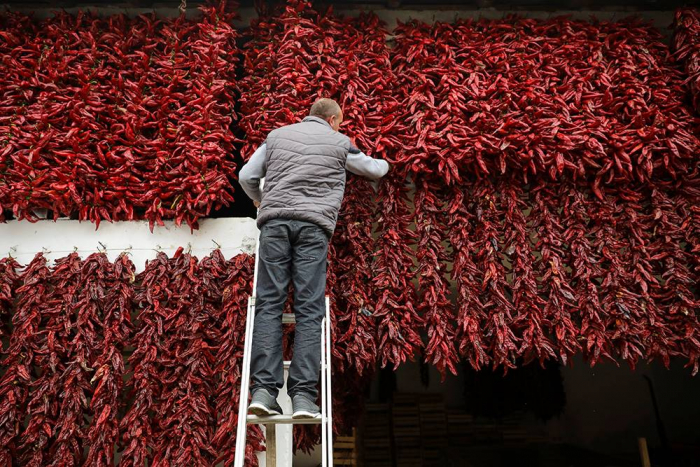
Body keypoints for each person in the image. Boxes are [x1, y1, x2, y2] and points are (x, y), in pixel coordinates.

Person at [239, 98, 390, 419]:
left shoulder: (276, 136)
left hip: (275, 224)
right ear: (334, 119)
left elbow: (246, 175)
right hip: (313, 227)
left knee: (269, 304)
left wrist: (261, 200)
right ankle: (304, 398)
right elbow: (375, 170)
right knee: (309, 309)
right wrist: (389, 160)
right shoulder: (340, 142)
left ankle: (264, 392)